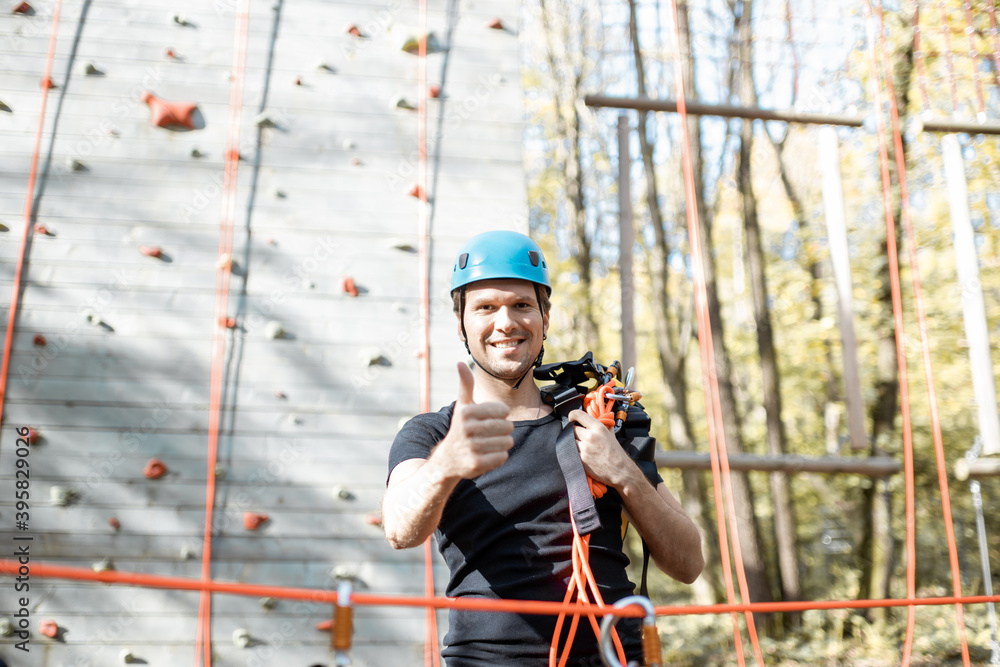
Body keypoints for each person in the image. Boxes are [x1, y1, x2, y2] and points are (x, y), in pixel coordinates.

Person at [382, 230, 704, 666]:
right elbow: (400, 530)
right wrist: (447, 464)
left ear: (545, 318)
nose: (505, 322)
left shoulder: (598, 422)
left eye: (521, 305)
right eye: (485, 308)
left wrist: (623, 473)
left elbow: (688, 563)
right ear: (461, 324)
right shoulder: (433, 434)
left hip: (617, 655)